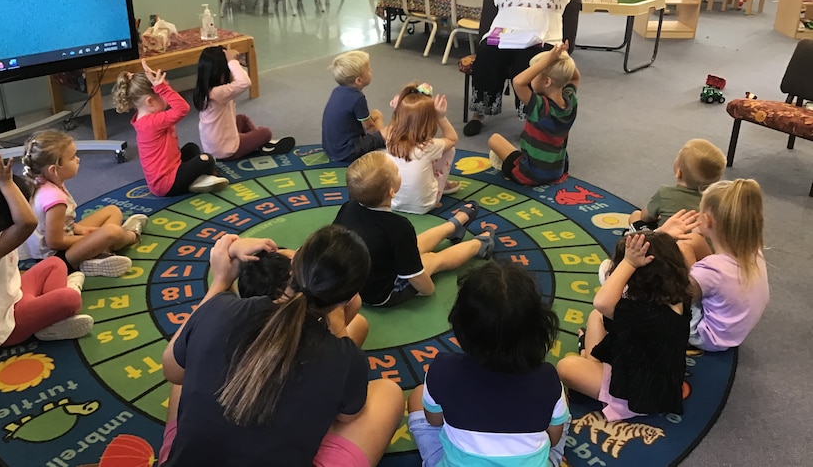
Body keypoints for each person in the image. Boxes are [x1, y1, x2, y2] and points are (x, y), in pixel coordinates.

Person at [159, 227, 403, 467]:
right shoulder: (346, 358)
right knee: (389, 394)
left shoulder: (219, 308)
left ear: (293, 264)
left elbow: (172, 372)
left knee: (190, 360)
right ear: (349, 297)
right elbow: (347, 416)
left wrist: (221, 282)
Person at [408, 260, 570, 467]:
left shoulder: (442, 369)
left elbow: (434, 421)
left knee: (416, 397)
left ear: (461, 324)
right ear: (538, 326)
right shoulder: (547, 378)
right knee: (560, 403)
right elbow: (553, 438)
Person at [464, 0, 587, 137]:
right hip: (503, 36)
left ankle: (531, 119)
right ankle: (479, 113)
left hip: (542, 39)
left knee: (529, 64)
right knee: (487, 55)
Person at [0, 154, 93, 350]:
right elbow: (27, 222)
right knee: (70, 299)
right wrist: (5, 184)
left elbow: (4, 203)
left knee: (55, 264)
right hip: (4, 329)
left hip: (13, 296)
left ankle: (50, 315)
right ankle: (48, 322)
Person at [557, 231, 691, 421]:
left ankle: (590, 364)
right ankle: (591, 362)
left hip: (639, 392)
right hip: (643, 362)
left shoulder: (646, 315)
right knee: (597, 317)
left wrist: (629, 262)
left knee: (566, 367)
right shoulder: (676, 295)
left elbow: (602, 302)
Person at [333, 151, 496, 307]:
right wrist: (428, 290)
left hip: (354, 282)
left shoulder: (348, 207)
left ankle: (453, 226)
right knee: (431, 259)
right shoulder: (398, 226)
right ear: (391, 192)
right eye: (397, 171)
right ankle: (480, 244)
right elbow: (415, 276)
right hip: (380, 294)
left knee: (411, 245)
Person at [21, 130, 145, 278]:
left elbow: (62, 224)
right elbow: (54, 242)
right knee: (113, 232)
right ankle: (131, 236)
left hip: (65, 239)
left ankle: (98, 254)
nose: (78, 160)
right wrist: (89, 237)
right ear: (54, 170)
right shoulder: (54, 199)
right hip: (57, 259)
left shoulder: (44, 181)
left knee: (112, 211)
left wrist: (82, 230)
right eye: (73, 157)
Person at [113, 60, 228, 196]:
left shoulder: (145, 118)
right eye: (163, 95)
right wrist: (161, 88)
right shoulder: (153, 122)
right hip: (166, 185)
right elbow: (183, 108)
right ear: (149, 101)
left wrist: (159, 86)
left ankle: (197, 179)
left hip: (172, 168)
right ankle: (197, 181)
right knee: (207, 159)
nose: (167, 99)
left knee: (191, 148)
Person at [688, 179, 769, 351]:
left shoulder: (711, 271)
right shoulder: (755, 251)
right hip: (734, 331)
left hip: (706, 337)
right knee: (693, 241)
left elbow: (680, 296)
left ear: (707, 220)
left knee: (682, 247)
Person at [487, 41, 580, 186]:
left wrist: (549, 59)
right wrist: (563, 56)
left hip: (530, 173)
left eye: (534, 73)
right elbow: (575, 77)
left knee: (494, 139)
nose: (530, 79)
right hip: (558, 171)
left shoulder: (540, 107)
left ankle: (509, 169)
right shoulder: (571, 101)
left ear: (547, 81)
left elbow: (518, 82)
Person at [193, 46, 294, 160]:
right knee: (265, 132)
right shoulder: (218, 93)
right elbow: (244, 82)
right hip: (227, 151)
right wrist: (233, 61)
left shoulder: (205, 90)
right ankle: (264, 143)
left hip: (213, 147)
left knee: (242, 119)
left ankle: (260, 143)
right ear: (221, 73)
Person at [386, 83, 460, 214]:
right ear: (429, 122)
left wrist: (398, 110)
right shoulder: (429, 146)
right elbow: (452, 139)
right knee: (449, 149)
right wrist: (441, 117)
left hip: (392, 201)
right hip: (424, 205)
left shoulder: (390, 137)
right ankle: (440, 184)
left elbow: (394, 124)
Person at [629, 138, 727, 230]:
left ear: (679, 172)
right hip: (698, 245)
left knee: (636, 215)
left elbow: (646, 217)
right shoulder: (717, 202)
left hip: (666, 243)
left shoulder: (664, 193)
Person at [322, 50, 387, 162]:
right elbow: (369, 128)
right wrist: (379, 137)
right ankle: (381, 153)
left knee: (376, 114)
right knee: (387, 132)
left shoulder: (337, 91)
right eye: (368, 69)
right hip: (347, 152)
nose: (371, 70)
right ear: (358, 80)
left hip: (331, 147)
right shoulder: (357, 99)